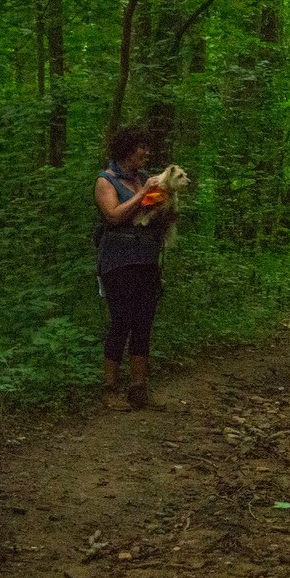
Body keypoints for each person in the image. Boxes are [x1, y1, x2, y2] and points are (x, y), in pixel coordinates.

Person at [94, 127, 173, 411]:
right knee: (122, 321)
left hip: (147, 260)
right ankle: (110, 389)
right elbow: (113, 216)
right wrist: (144, 195)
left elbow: (153, 217)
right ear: (128, 150)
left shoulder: (143, 179)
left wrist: (166, 203)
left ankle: (138, 389)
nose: (147, 153)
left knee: (143, 322)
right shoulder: (106, 180)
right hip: (118, 261)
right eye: (143, 148)